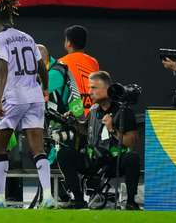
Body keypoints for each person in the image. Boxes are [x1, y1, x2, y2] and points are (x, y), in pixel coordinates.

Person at [0, 0, 54, 209]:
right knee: (37, 148)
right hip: (34, 97)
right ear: (11, 19)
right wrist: (44, 88)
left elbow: (2, 68)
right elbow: (42, 66)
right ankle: (49, 197)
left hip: (14, 97)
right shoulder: (28, 37)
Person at [56, 71, 141, 210]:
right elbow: (86, 130)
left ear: (107, 88)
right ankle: (78, 200)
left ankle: (131, 202)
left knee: (133, 158)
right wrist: (73, 122)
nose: (89, 92)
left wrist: (112, 128)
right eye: (89, 88)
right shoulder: (94, 109)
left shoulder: (124, 110)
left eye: (93, 88)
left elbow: (130, 142)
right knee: (64, 154)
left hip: (113, 162)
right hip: (93, 160)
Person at [59, 25, 100, 114]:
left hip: (76, 110)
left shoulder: (61, 63)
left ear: (68, 43)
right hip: (95, 108)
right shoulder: (93, 62)